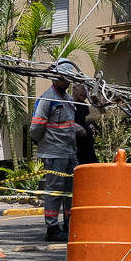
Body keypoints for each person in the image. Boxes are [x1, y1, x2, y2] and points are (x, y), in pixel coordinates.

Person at [30, 61, 84, 242]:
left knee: (71, 190)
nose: (67, 81)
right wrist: (46, 144)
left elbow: (67, 124)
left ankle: (70, 223)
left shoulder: (68, 100)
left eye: (69, 78)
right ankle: (52, 228)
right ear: (56, 77)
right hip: (54, 153)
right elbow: (35, 128)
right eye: (64, 78)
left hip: (69, 152)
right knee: (54, 191)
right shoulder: (47, 99)